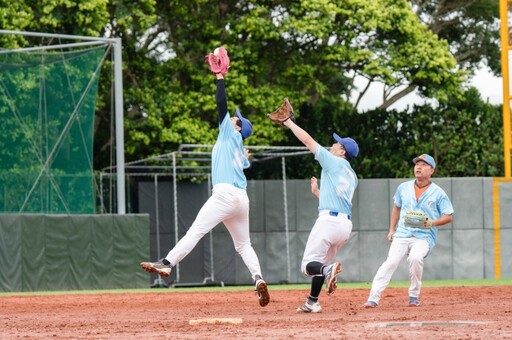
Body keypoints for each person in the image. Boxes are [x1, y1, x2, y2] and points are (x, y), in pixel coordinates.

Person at [140, 47, 270, 307]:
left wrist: (220, 79)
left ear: (237, 127)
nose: (233, 117)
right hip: (240, 199)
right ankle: (257, 278)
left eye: (236, 119)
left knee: (196, 230)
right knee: (244, 245)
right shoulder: (238, 148)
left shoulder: (228, 133)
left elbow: (220, 105)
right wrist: (244, 150)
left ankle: (167, 264)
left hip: (223, 195)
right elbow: (244, 159)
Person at [281, 116, 359, 313]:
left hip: (329, 222)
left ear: (342, 152)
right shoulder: (352, 174)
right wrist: (319, 193)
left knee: (309, 265)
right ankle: (312, 302)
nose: (333, 144)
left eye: (337, 143)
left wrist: (288, 122)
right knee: (321, 263)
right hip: (344, 226)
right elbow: (338, 199)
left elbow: (308, 140)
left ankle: (327, 271)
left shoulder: (333, 162)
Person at [363, 153, 454, 308]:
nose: (419, 167)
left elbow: (449, 216)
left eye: (424, 164)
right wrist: (391, 230)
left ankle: (413, 296)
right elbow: (396, 208)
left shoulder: (438, 192)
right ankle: (373, 298)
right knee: (390, 263)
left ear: (432, 170)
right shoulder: (404, 187)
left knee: (415, 258)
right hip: (402, 233)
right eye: (417, 164)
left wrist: (431, 223)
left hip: (424, 236)